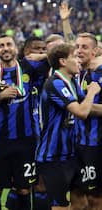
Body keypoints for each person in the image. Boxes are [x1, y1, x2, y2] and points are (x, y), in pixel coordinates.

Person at [0, 34, 47, 210]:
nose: (5, 48)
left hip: (26, 141)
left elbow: (60, 54)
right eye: (1, 45)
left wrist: (39, 55)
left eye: (9, 44)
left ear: (16, 48)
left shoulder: (29, 67)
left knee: (24, 190)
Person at [36, 43, 101, 210]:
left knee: (80, 202)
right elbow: (81, 111)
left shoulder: (71, 82)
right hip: (53, 156)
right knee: (60, 206)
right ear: (63, 61)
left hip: (71, 154)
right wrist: (92, 92)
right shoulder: (55, 83)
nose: (78, 61)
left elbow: (88, 107)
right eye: (74, 57)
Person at [74, 33, 102, 209]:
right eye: (77, 46)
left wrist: (76, 106)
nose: (79, 50)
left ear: (95, 51)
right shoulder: (77, 73)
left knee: (95, 199)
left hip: (95, 145)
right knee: (77, 196)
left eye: (84, 47)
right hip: (75, 144)